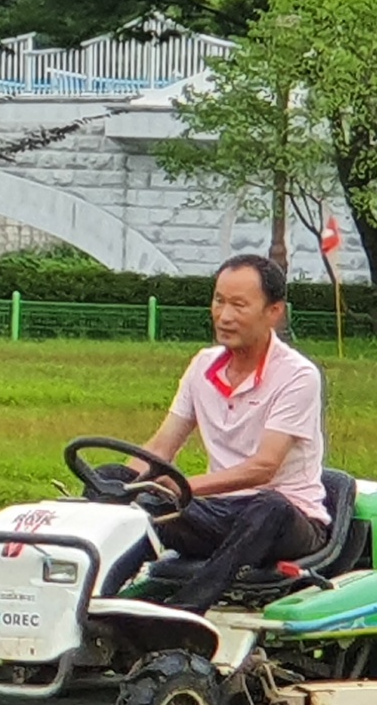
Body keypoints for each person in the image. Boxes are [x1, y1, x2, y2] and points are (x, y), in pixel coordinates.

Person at [100, 254, 329, 613]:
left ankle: (189, 612)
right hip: (218, 512)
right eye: (219, 301)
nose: (224, 315)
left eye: (239, 305)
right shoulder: (203, 365)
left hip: (289, 519)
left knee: (268, 506)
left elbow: (262, 470)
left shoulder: (298, 376)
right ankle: (92, 602)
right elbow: (162, 447)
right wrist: (125, 487)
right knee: (110, 479)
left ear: (274, 312)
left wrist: (182, 488)